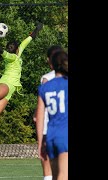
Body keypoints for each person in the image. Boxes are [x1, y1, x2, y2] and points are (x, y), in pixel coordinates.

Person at [36, 51, 68, 180]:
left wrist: (40, 143)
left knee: (54, 176)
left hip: (51, 135)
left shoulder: (45, 87)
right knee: (64, 175)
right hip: (65, 134)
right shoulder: (66, 84)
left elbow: (39, 117)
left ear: (52, 65)